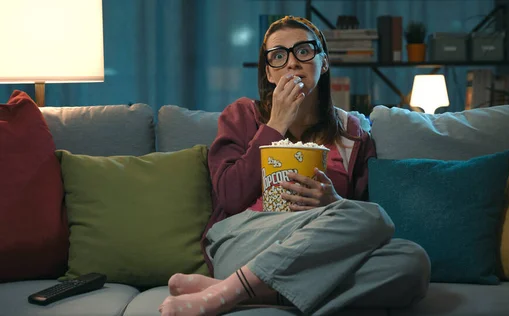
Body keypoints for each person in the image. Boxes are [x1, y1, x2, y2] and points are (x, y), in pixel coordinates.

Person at [159, 15, 430, 316]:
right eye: (278, 56)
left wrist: (334, 203)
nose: (291, 63)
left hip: (317, 252)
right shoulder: (241, 116)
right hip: (247, 240)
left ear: (323, 62)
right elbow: (230, 197)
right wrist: (276, 123)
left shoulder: (351, 133)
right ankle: (239, 288)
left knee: (411, 260)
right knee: (377, 218)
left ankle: (234, 291)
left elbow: (359, 222)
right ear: (269, 73)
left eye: (303, 51)